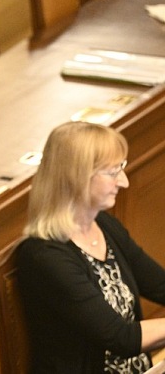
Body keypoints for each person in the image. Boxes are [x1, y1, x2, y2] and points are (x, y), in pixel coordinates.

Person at [16, 121, 165, 373]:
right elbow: (122, 337)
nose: (124, 182)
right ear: (77, 177)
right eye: (113, 172)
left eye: (121, 168)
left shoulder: (105, 225)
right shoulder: (44, 257)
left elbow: (160, 285)